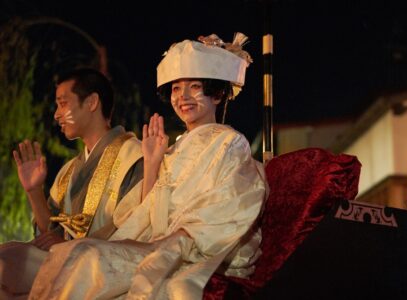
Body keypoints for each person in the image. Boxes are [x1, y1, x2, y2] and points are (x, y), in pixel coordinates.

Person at [28, 32, 267, 299]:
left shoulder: (229, 142)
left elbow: (230, 205)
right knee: (70, 255)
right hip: (157, 243)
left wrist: (176, 240)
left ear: (218, 93)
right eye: (176, 88)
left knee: (87, 257)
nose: (183, 97)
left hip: (188, 248)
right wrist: (153, 163)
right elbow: (146, 215)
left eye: (195, 87)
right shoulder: (174, 149)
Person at [0, 68, 144, 298]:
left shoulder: (134, 156)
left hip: (108, 272)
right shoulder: (68, 171)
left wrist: (71, 247)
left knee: (7, 263)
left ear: (92, 102)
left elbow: (137, 229)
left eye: (63, 104)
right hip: (67, 266)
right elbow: (50, 237)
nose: (57, 115)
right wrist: (34, 190)